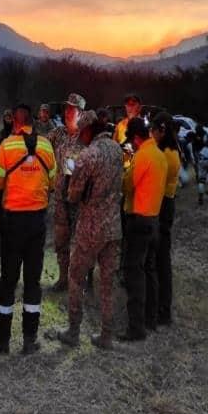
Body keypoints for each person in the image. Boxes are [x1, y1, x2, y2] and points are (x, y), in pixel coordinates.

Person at [0, 104, 57, 355]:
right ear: (32, 122)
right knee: (32, 281)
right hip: (37, 222)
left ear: (15, 123)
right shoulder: (47, 147)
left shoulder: (6, 146)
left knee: (8, 279)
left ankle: (2, 340)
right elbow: (54, 181)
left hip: (12, 222)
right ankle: (30, 339)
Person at [53, 111, 123, 349]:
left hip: (91, 227)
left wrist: (77, 188)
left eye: (81, 132)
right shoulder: (117, 150)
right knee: (107, 282)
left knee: (76, 277)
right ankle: (107, 335)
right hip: (114, 226)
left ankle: (73, 331)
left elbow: (73, 195)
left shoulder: (87, 157)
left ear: (87, 130)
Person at [120, 117, 167, 341]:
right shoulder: (159, 155)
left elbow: (127, 185)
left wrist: (127, 165)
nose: (133, 143)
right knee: (150, 270)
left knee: (134, 272)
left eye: (132, 140)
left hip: (139, 220)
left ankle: (136, 328)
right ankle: (151, 319)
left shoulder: (142, 156)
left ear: (137, 137)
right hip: (154, 220)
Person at [46, 93, 87, 291]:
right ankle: (63, 278)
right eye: (66, 108)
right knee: (61, 239)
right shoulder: (58, 134)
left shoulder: (86, 137)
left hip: (79, 200)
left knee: (81, 241)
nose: (68, 112)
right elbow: (41, 145)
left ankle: (82, 279)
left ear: (81, 113)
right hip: (61, 198)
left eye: (72, 109)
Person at [150, 112, 181, 326]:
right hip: (165, 203)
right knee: (160, 257)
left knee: (161, 259)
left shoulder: (167, 155)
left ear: (162, 130)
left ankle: (163, 309)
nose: (151, 134)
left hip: (163, 205)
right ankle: (161, 306)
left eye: (154, 130)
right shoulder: (171, 150)